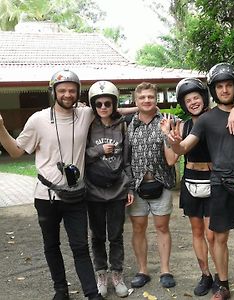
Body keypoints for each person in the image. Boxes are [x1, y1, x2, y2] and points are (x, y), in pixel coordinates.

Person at [167, 63, 234, 300]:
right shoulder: (206, 120)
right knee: (219, 236)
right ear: (213, 90)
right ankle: (222, 285)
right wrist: (174, 141)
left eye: (229, 85)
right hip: (218, 184)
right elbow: (184, 148)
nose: (224, 90)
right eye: (220, 86)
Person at [0, 69, 103, 300]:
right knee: (51, 246)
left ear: (78, 92)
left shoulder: (85, 113)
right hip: (46, 196)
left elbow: (111, 111)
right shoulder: (38, 119)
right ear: (53, 92)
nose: (67, 94)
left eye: (72, 90)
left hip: (76, 195)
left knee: (80, 246)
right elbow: (16, 151)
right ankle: (61, 290)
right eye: (62, 90)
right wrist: (0, 128)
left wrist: (145, 107)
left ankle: (92, 293)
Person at [85, 81, 134, 298]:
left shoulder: (122, 125)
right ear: (93, 105)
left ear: (114, 104)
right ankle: (101, 274)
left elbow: (127, 160)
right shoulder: (86, 125)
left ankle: (117, 274)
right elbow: (79, 155)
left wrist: (130, 186)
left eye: (108, 103)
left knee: (116, 235)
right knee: (97, 236)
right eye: (99, 103)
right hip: (93, 190)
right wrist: (98, 150)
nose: (103, 107)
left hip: (117, 189)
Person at [126, 82, 178, 289]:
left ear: (156, 99)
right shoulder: (128, 123)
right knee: (138, 228)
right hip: (136, 184)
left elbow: (173, 159)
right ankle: (142, 270)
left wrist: (168, 134)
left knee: (162, 227)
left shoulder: (168, 121)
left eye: (150, 97)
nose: (147, 100)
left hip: (161, 182)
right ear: (136, 101)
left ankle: (165, 270)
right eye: (142, 98)